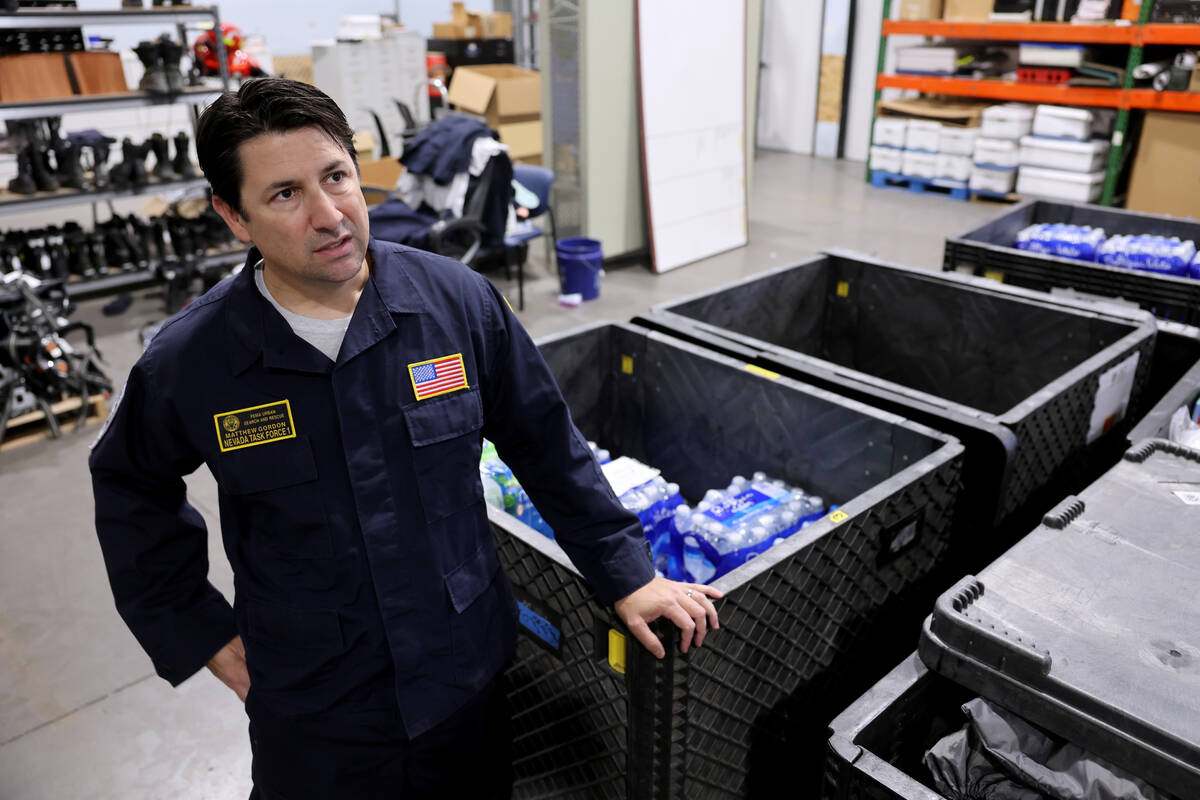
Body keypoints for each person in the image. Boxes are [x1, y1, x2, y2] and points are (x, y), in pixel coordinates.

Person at [89, 77, 722, 798]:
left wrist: (627, 572)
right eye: (286, 195)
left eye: (337, 177)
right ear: (234, 216)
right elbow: (130, 484)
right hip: (313, 704)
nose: (330, 216)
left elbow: (546, 443)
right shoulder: (194, 360)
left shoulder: (456, 303)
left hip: (464, 677)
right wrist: (198, 630)